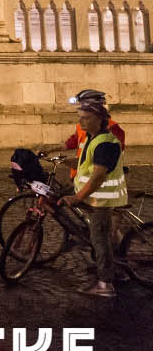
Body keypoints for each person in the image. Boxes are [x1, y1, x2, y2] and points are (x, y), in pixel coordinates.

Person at [63, 98, 125, 297]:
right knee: (100, 236)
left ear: (99, 119)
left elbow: (98, 176)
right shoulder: (93, 138)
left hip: (101, 200)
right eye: (80, 117)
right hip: (95, 197)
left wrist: (77, 197)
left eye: (86, 118)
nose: (81, 122)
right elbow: (88, 164)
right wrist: (70, 162)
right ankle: (110, 268)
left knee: (100, 240)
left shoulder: (104, 143)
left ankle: (105, 284)